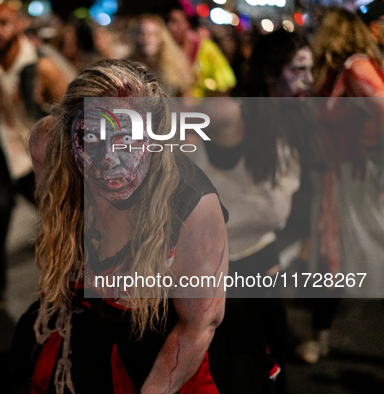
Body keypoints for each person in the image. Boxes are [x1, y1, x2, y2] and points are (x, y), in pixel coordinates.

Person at [10, 59, 228, 394]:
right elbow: (58, 225)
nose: (109, 159)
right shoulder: (49, 147)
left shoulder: (192, 204)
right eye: (91, 138)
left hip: (160, 352)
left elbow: (199, 324)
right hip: (86, 332)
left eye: (128, 139)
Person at [191, 29, 323, 393]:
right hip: (219, 265)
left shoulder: (293, 117)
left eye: (310, 69)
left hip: (262, 253)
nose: (308, 80)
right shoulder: (231, 111)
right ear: (268, 73)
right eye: (297, 69)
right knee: (232, 370)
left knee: (271, 361)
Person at [297, 6, 384, 364]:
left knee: (344, 259)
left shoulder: (355, 67)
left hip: (355, 179)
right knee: (331, 261)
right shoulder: (334, 71)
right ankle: (320, 335)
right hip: (335, 178)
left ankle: (320, 337)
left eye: (320, 27)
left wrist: (370, 145)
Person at [0, 1, 69, 305]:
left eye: (4, 23)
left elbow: (74, 110)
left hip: (36, 158)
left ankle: (65, 283)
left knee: (59, 220)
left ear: (19, 26)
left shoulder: (41, 65)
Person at [166, 5, 236, 97]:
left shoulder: (206, 48)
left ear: (187, 24)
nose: (171, 27)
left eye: (175, 22)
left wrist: (202, 85)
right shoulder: (164, 50)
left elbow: (227, 81)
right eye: (168, 22)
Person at [129, 14, 192, 97]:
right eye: (142, 33)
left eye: (152, 34)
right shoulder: (127, 67)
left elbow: (185, 101)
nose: (147, 38)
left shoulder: (175, 66)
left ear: (161, 38)